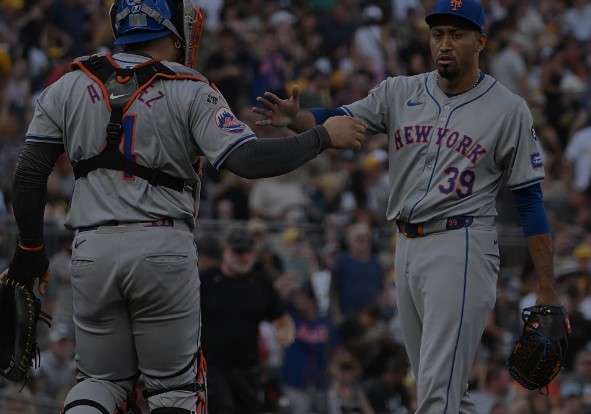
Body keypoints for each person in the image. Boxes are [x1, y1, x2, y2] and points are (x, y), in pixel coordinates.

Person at [0, 1, 366, 413]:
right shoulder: (192, 87)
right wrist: (321, 136)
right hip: (162, 245)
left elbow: (29, 175)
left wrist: (30, 250)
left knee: (99, 383)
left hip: (91, 249)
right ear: (173, 34)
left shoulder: (68, 83)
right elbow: (246, 160)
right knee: (173, 391)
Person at [252, 0, 562, 412]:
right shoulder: (400, 91)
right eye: (438, 34)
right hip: (406, 248)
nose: (445, 44)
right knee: (445, 393)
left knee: (436, 396)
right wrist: (297, 118)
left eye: (457, 33)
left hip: (462, 244)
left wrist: (547, 289)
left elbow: (529, 200)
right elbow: (338, 117)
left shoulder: (508, 110)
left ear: (481, 40)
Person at [199, 225, 296, 414]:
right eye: (237, 251)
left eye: (247, 251)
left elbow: (281, 317)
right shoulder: (207, 281)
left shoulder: (261, 284)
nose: (242, 256)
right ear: (225, 250)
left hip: (248, 368)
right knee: (222, 408)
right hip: (213, 367)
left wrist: (286, 333)